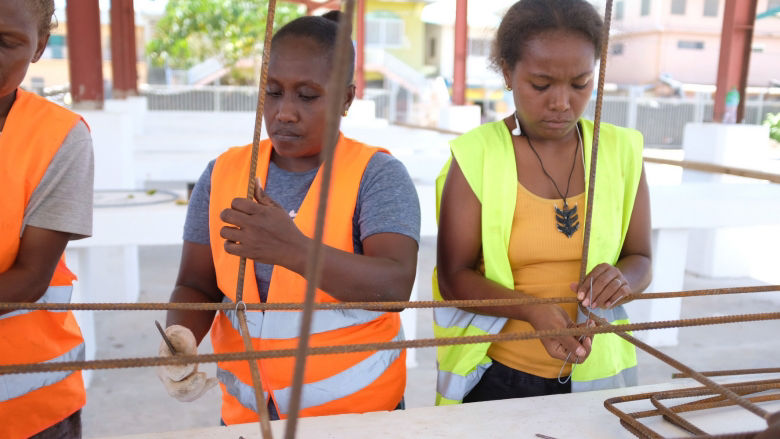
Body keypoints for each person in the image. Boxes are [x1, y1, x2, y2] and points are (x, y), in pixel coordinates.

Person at [157, 12, 420, 424]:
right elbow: (195, 283)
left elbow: (395, 284)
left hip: (359, 415)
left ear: (347, 99)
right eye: (274, 92)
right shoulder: (225, 172)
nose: (284, 112)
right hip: (248, 416)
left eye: (307, 95)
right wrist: (181, 337)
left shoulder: (378, 175)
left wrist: (292, 249)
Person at [434, 0, 651, 405]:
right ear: (507, 73)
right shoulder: (477, 155)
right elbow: (454, 278)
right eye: (541, 84)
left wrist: (621, 280)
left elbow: (641, 258)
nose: (561, 102)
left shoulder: (620, 150)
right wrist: (531, 310)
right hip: (499, 378)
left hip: (601, 375)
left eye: (580, 84)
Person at [0, 0, 95, 437]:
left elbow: (31, 277)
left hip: (30, 408)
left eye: (6, 43)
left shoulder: (58, 136)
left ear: (40, 47)